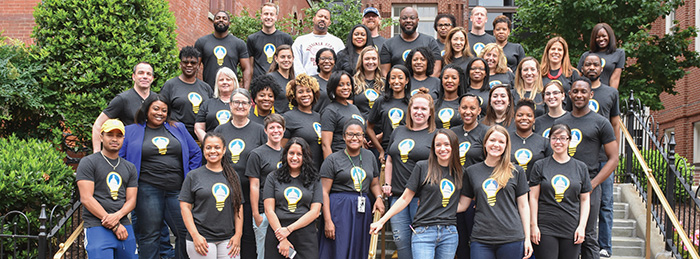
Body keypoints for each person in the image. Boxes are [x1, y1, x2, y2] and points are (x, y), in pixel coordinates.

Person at [119, 95, 202, 259]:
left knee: (184, 231)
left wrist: (189, 179)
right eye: (156, 109)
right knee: (150, 235)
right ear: (147, 110)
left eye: (164, 110)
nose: (160, 113)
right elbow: (120, 159)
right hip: (147, 189)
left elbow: (196, 153)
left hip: (177, 189)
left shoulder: (178, 127)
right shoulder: (130, 131)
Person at [370, 129, 463, 259]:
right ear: (433, 148)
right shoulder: (422, 167)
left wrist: (444, 207)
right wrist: (382, 221)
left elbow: (463, 204)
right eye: (438, 145)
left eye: (447, 144)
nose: (442, 148)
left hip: (449, 233)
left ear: (454, 146)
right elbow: (404, 198)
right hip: (423, 232)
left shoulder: (460, 172)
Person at [554, 78, 618, 259]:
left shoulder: (601, 122)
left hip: (589, 185)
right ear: (569, 94)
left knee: (588, 236)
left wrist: (592, 184)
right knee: (565, 234)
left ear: (591, 95)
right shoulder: (560, 122)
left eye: (583, 92)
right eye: (575, 91)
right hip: (562, 185)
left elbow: (613, 159)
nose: (579, 95)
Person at [458, 125, 532, 259]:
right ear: (485, 142)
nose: (496, 145)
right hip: (481, 238)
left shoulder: (516, 171)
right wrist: (434, 205)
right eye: (492, 140)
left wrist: (527, 238)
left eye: (501, 142)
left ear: (506, 146)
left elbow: (523, 206)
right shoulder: (471, 171)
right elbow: (463, 205)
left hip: (511, 237)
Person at [382, 89, 437, 259]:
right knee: (402, 242)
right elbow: (390, 159)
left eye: (423, 109)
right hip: (398, 197)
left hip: (421, 199)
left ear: (430, 113)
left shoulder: (435, 135)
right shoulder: (398, 131)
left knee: (421, 244)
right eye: (415, 108)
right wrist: (387, 183)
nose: (419, 112)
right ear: (409, 110)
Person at [319, 119, 384, 259]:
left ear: (363, 137)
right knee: (339, 248)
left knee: (358, 248)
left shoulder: (369, 156)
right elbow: (324, 191)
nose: (354, 138)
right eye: (350, 134)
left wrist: (379, 197)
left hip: (362, 210)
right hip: (339, 209)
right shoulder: (332, 159)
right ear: (343, 137)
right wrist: (328, 220)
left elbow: (374, 184)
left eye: (358, 135)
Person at [213, 88, 266, 259]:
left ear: (251, 106)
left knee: (248, 236)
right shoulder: (220, 130)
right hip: (226, 191)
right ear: (230, 105)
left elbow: (266, 158)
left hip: (251, 191)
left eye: (244, 102)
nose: (240, 106)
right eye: (236, 102)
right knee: (229, 235)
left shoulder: (259, 130)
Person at [78, 119, 138, 259]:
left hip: (123, 224)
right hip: (96, 225)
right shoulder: (89, 162)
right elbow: (86, 198)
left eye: (118, 135)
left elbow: (132, 200)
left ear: (123, 138)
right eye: (110, 135)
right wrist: (114, 225)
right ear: (101, 136)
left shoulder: (130, 167)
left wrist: (117, 218)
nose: (114, 139)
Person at [530, 124, 591, 259]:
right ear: (549, 140)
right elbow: (533, 197)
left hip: (571, 227)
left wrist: (582, 227)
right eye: (554, 138)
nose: (558, 142)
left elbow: (585, 199)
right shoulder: (540, 165)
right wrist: (533, 225)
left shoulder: (580, 167)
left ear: (569, 141)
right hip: (545, 227)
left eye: (563, 138)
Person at [580, 54, 621, 258]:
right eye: (588, 64)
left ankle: (605, 246)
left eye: (596, 64)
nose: (592, 67)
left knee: (604, 203)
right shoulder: (576, 90)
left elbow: (615, 123)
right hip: (582, 159)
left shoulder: (610, 93)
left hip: (602, 157)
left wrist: (614, 150)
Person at [180, 132, 244, 259]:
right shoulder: (193, 175)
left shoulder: (233, 175)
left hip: (228, 238)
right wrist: (195, 235)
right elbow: (185, 207)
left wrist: (238, 235)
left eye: (217, 147)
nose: (212, 151)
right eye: (208, 147)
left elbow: (238, 207)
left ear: (224, 150)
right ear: (203, 150)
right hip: (202, 238)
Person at [263, 138, 323, 259]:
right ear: (285, 155)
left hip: (305, 235)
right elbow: (269, 210)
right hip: (277, 231)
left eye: (299, 154)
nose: (294, 157)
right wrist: (282, 237)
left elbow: (315, 212)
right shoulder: (273, 177)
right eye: (291, 153)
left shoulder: (314, 179)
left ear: (305, 157)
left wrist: (289, 230)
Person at [449, 94, 489, 259]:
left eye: (472, 108)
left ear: (479, 110)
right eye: (464, 107)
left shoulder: (486, 133)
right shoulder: (451, 133)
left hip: (476, 197)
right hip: (454, 194)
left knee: (477, 240)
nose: (468, 111)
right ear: (458, 109)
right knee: (459, 241)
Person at [92, 62, 156, 153]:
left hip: (153, 151)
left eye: (148, 74)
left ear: (152, 78)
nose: (145, 76)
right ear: (133, 76)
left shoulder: (157, 100)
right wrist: (97, 153)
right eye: (141, 73)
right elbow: (98, 124)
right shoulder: (123, 99)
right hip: (130, 152)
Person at [246, 114, 286, 259]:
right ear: (265, 131)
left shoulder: (287, 154)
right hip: (263, 212)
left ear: (284, 130)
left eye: (279, 127)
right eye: (272, 128)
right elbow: (254, 186)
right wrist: (256, 214)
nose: (276, 131)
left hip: (283, 211)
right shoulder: (257, 154)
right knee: (263, 253)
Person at [161, 46, 214, 140]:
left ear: (198, 65)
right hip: (176, 137)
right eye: (185, 62)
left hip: (200, 138)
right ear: (180, 64)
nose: (189, 65)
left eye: (193, 63)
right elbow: (162, 110)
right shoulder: (170, 85)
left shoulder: (206, 88)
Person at [195, 11, 251, 89]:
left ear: (229, 23)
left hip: (230, 92)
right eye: (218, 18)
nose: (221, 20)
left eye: (224, 18)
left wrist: (245, 92)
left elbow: (246, 69)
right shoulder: (202, 42)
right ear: (213, 22)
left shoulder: (239, 43)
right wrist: (195, 88)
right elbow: (195, 66)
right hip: (209, 91)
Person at [380, 7, 441, 78]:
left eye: (412, 18)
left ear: (417, 20)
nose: (408, 21)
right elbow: (385, 73)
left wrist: (426, 84)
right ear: (399, 21)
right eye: (404, 18)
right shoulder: (388, 44)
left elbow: (436, 70)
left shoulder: (430, 41)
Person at [367, 65, 411, 162]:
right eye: (393, 78)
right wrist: (380, 150)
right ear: (389, 81)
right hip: (388, 150)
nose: (396, 81)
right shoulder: (381, 101)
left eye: (400, 78)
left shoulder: (412, 102)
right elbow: (369, 127)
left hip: (409, 149)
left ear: (407, 80)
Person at [282, 74, 324, 169]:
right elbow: (282, 149)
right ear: (294, 96)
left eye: (308, 91)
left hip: (318, 172)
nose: (305, 94)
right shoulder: (288, 117)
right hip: (298, 173)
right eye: (300, 92)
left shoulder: (320, 117)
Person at [321, 71, 364, 157]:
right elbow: (326, 146)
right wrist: (330, 168)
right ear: (333, 87)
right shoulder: (330, 111)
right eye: (341, 85)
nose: (345, 87)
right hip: (340, 160)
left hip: (358, 158)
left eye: (348, 84)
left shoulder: (354, 108)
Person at [292, 8, 345, 76]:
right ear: (313, 19)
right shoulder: (300, 41)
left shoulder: (337, 42)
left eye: (326, 18)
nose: (323, 19)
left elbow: (341, 64)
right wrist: (304, 80)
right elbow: (296, 62)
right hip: (306, 84)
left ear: (329, 23)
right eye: (320, 16)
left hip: (330, 83)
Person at [247, 3, 294, 78]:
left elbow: (291, 65)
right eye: (266, 14)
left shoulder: (286, 38)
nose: (268, 17)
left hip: (280, 83)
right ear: (261, 16)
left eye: (271, 14)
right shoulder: (252, 39)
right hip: (259, 83)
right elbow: (250, 67)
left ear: (276, 17)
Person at [509, 99, 551, 180]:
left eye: (529, 115)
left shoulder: (544, 142)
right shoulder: (506, 140)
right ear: (514, 118)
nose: (524, 118)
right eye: (520, 115)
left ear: (534, 119)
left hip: (537, 188)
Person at [194, 67, 238, 142]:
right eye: (221, 80)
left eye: (228, 79)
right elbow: (198, 128)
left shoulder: (241, 103)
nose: (224, 82)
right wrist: (209, 143)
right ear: (217, 83)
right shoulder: (207, 104)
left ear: (234, 82)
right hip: (212, 149)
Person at [578, 23, 625, 89]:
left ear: (609, 36)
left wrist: (611, 95)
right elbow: (578, 77)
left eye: (604, 36)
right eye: (597, 37)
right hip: (587, 93)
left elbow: (615, 79)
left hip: (605, 93)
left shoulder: (618, 53)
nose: (601, 39)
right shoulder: (586, 55)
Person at [353, 46, 385, 120]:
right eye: (367, 59)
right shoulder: (353, 82)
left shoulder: (385, 83)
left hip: (380, 128)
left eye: (374, 59)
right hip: (359, 126)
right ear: (361, 61)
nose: (371, 62)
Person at [435, 64, 465, 129]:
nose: (449, 81)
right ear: (441, 81)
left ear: (459, 81)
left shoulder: (464, 103)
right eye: (446, 78)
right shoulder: (433, 104)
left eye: (454, 78)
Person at [267, 44, 295, 113]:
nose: (286, 60)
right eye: (282, 57)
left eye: (289, 57)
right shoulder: (270, 78)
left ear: (293, 58)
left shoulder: (293, 80)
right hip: (276, 119)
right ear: (276, 59)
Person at [312, 48, 336, 112]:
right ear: (317, 62)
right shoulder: (312, 81)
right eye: (323, 59)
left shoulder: (339, 80)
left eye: (330, 59)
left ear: (334, 62)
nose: (327, 61)